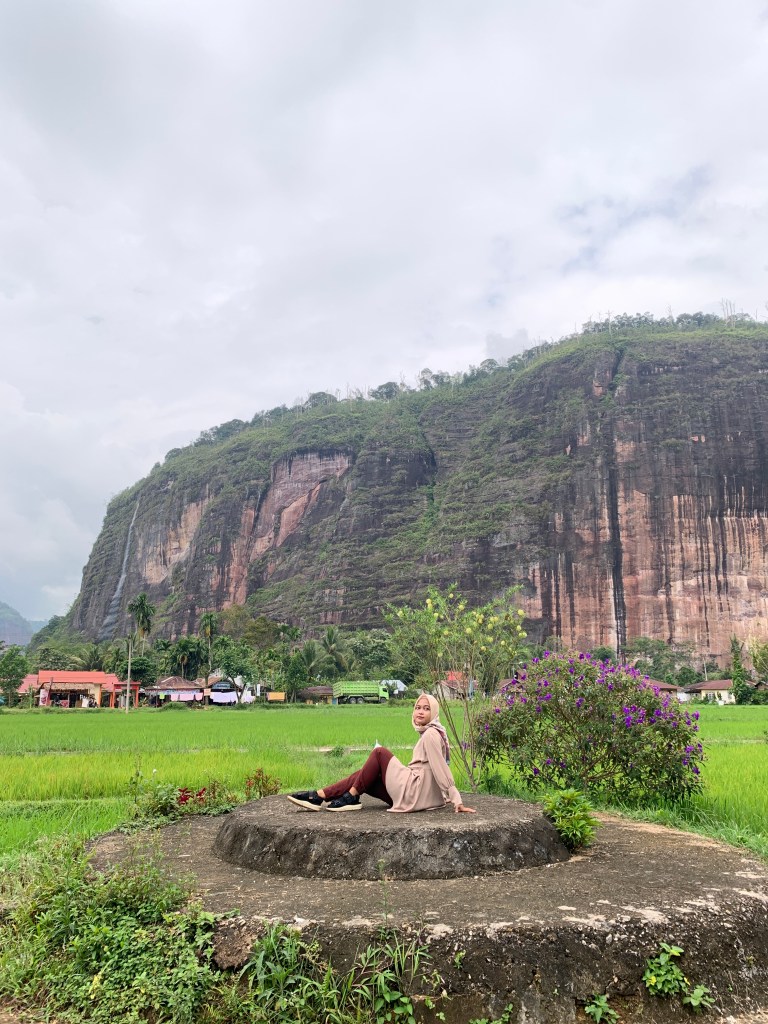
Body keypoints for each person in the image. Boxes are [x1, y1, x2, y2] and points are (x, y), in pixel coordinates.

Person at [287, 693, 476, 814]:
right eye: (417, 707)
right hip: (421, 796)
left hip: (415, 792)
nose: (420, 712)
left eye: (426, 709)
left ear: (434, 713)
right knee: (364, 777)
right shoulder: (432, 732)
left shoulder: (431, 734)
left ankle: (348, 797)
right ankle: (320, 796)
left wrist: (456, 798)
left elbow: (440, 766)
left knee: (379, 753)